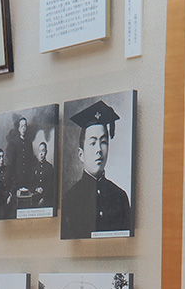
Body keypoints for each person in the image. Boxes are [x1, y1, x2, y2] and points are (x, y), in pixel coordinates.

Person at [61, 100, 131, 239]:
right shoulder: (69, 199)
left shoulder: (120, 197)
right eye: (92, 143)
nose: (99, 149)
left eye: (103, 142)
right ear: (81, 154)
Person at [26, 141, 55, 210]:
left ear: (46, 152)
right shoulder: (34, 167)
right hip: (35, 199)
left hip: (46, 199)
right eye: (39, 151)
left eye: (43, 151)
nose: (41, 154)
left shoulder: (49, 167)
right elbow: (30, 184)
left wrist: (44, 198)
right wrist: (36, 189)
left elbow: (51, 186)